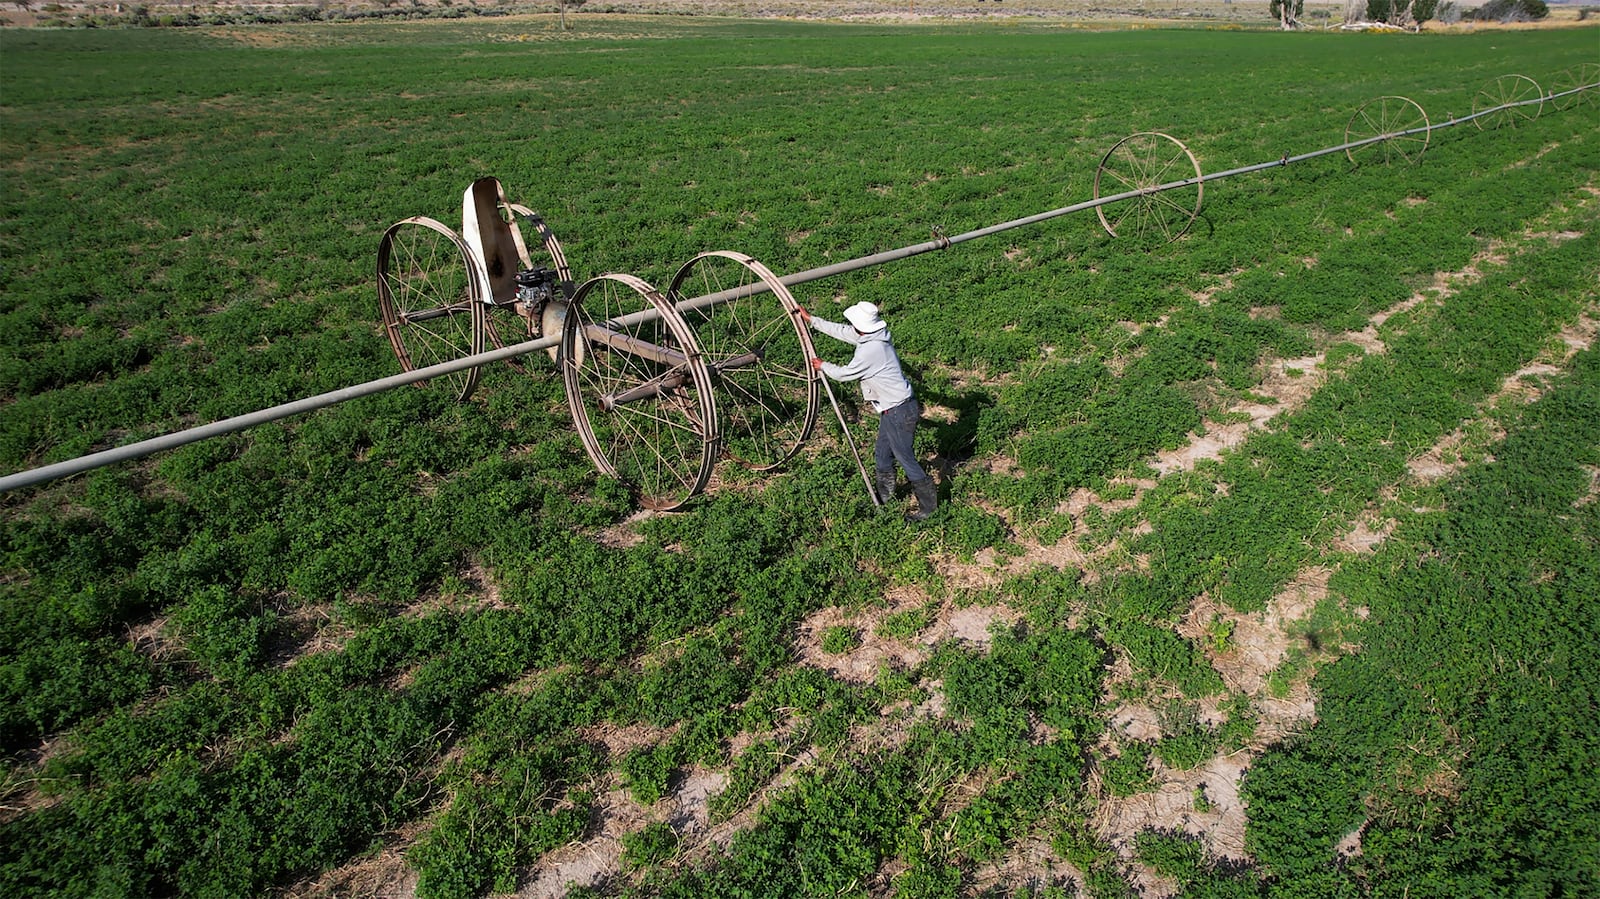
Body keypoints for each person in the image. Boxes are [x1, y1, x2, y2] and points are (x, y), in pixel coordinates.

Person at [798, 301, 937, 520]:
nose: (851, 326)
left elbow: (845, 374)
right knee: (882, 453)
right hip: (892, 410)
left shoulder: (872, 349)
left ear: (861, 326)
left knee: (905, 458)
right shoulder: (874, 336)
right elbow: (844, 332)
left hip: (900, 411)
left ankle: (928, 509)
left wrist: (823, 365)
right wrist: (813, 321)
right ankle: (885, 496)